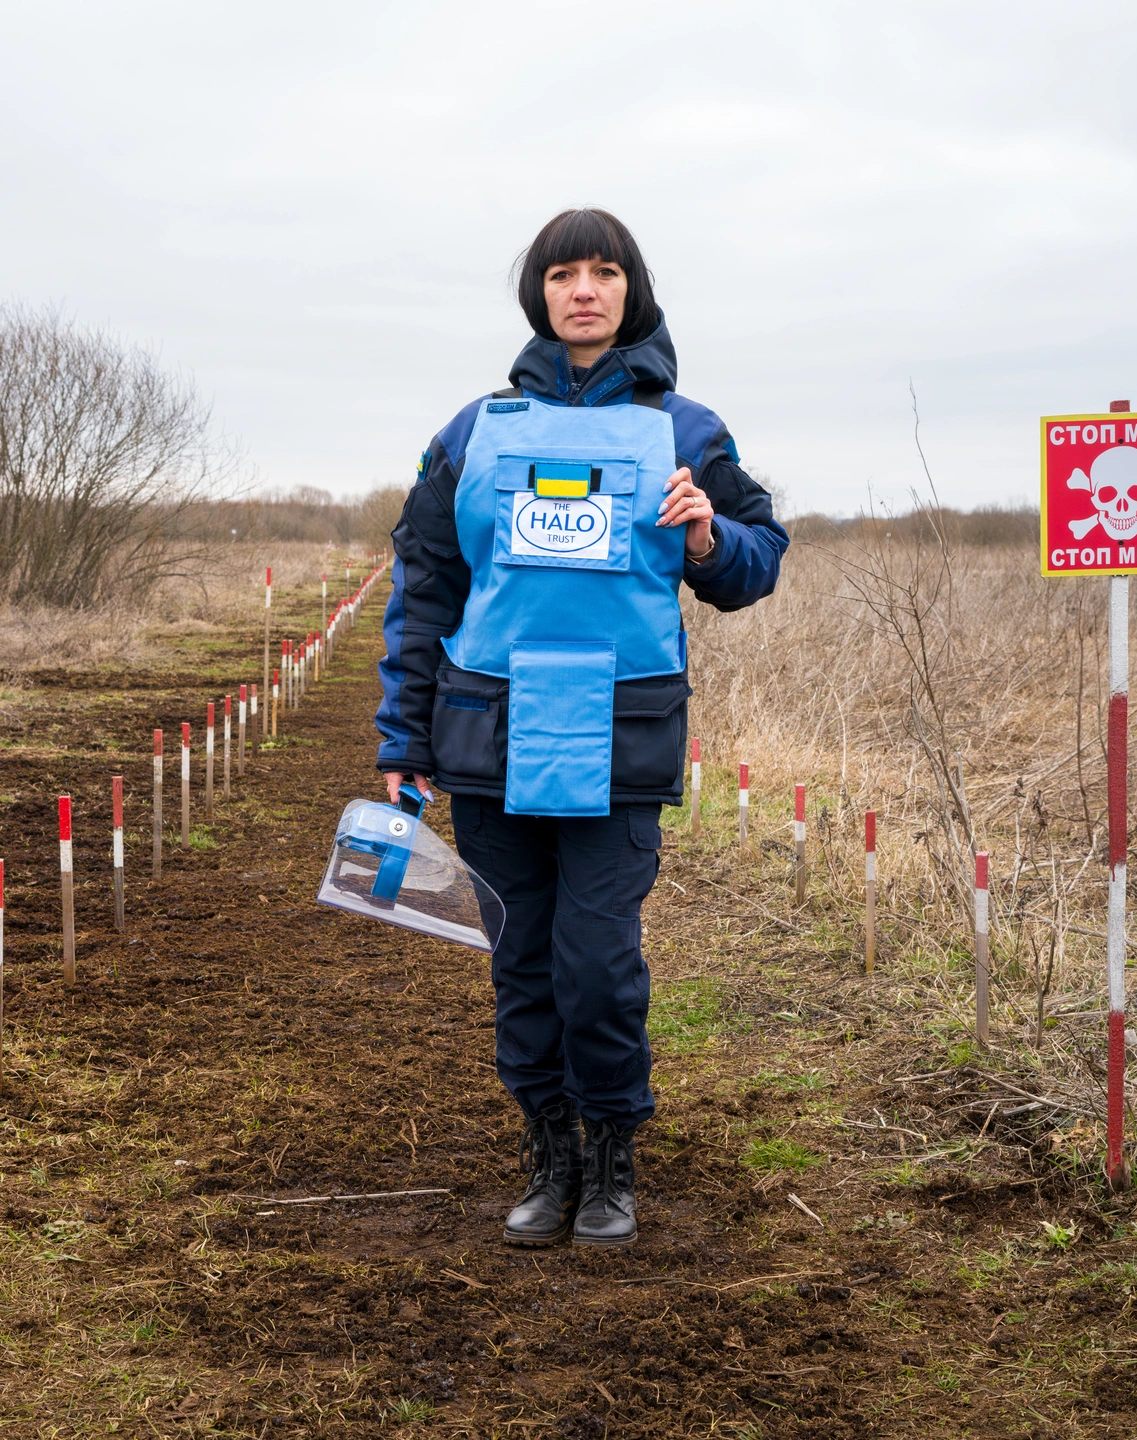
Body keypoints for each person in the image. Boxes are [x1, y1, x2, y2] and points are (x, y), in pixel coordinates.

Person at [375, 208, 788, 1247]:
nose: (585, 290)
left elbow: (758, 560)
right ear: (541, 294)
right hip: (490, 736)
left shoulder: (687, 432)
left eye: (605, 271)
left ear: (630, 290)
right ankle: (547, 1150)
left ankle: (611, 1152)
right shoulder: (473, 432)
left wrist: (709, 537)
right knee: (521, 962)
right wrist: (403, 740)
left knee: (596, 963)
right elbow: (424, 588)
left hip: (621, 736)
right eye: (564, 274)